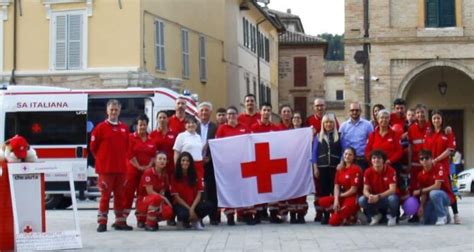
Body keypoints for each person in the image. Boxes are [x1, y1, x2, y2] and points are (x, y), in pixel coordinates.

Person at [90, 99, 132, 232]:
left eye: (116, 110)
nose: (114, 112)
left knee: (120, 196)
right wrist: (103, 160)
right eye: (111, 110)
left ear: (119, 111)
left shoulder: (124, 128)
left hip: (121, 170)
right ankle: (102, 222)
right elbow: (93, 147)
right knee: (105, 196)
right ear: (107, 111)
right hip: (106, 170)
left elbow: (127, 147)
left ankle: (120, 222)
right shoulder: (100, 128)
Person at [215, 106, 253, 225]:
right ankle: (230, 215)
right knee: (229, 189)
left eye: (233, 114)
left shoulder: (244, 128)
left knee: (244, 189)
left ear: (237, 115)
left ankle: (245, 214)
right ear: (227, 116)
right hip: (228, 166)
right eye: (229, 114)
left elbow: (251, 144)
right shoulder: (222, 129)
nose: (231, 116)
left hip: (243, 164)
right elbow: (218, 147)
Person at [423, 110, 460, 224]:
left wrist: (436, 160)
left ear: (442, 119)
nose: (436, 120)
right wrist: (428, 162)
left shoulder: (447, 132)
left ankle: (456, 214)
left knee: (450, 190)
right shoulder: (429, 133)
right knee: (435, 190)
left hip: (445, 167)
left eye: (438, 118)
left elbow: (450, 150)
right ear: (431, 120)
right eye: (434, 118)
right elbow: (425, 151)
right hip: (431, 167)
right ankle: (443, 213)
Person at [250, 102, 282, 224]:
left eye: (269, 110)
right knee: (258, 188)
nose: (266, 112)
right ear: (260, 111)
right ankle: (257, 214)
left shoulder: (276, 128)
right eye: (264, 110)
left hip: (272, 160)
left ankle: (273, 214)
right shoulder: (253, 128)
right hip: (258, 161)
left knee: (273, 188)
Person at [123, 115, 157, 226]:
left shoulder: (151, 139)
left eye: (144, 124)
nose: (142, 127)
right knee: (128, 194)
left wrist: (148, 166)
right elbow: (129, 154)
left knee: (142, 196)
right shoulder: (130, 137)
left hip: (146, 173)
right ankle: (122, 220)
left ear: (147, 125)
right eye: (140, 124)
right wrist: (138, 166)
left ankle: (141, 220)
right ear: (136, 126)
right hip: (132, 171)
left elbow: (153, 155)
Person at [316, 147, 362, 226]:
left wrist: (340, 196)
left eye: (350, 155)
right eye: (346, 154)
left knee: (333, 222)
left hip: (352, 197)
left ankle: (353, 215)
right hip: (342, 197)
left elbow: (353, 190)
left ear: (354, 157)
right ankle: (341, 213)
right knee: (320, 201)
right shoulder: (340, 169)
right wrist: (336, 200)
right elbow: (336, 186)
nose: (347, 156)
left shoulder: (355, 169)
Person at [312, 113, 342, 224]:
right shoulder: (318, 137)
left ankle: (334, 213)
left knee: (334, 191)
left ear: (334, 124)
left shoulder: (339, 136)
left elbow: (343, 151)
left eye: (330, 122)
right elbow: (314, 153)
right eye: (326, 122)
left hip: (335, 168)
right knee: (324, 192)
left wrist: (342, 162)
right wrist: (315, 167)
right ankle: (325, 214)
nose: (328, 124)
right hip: (322, 167)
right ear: (323, 124)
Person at [412, 150, 456, 225]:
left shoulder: (439, 167)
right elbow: (424, 193)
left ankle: (442, 216)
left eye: (426, 158)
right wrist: (421, 206)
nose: (424, 160)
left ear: (431, 159)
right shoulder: (420, 175)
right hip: (431, 199)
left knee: (434, 193)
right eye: (422, 159)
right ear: (420, 161)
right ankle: (446, 214)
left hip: (446, 196)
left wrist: (420, 191)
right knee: (426, 221)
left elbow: (437, 186)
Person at [171, 152, 212, 230]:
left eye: (187, 161)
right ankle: (184, 220)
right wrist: (190, 210)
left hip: (193, 203)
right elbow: (176, 197)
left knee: (209, 206)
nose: (185, 162)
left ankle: (196, 220)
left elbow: (199, 194)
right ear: (179, 162)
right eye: (183, 160)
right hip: (181, 204)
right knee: (183, 214)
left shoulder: (196, 174)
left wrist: (192, 208)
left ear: (190, 163)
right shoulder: (175, 176)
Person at [358, 150, 399, 226]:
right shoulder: (367, 171)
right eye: (374, 158)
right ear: (371, 160)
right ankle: (375, 215)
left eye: (379, 158)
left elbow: (392, 190)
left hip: (386, 198)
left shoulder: (391, 170)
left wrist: (378, 196)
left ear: (383, 160)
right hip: (374, 198)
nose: (376, 160)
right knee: (362, 200)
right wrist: (369, 196)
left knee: (393, 199)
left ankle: (392, 216)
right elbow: (365, 189)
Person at [136, 152, 173, 231]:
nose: (162, 161)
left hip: (156, 200)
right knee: (156, 198)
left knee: (168, 212)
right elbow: (150, 192)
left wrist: (162, 201)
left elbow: (163, 191)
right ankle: (149, 223)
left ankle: (151, 219)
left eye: (164, 159)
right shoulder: (149, 172)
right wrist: (165, 199)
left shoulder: (164, 175)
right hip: (143, 201)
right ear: (155, 161)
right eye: (160, 159)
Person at [196, 102, 220, 225]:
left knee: (211, 190)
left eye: (206, 110)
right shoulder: (193, 127)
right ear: (198, 113)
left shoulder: (216, 128)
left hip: (211, 164)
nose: (204, 113)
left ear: (210, 113)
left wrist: (209, 157)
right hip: (196, 164)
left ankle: (214, 217)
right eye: (202, 111)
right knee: (198, 191)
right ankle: (198, 216)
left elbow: (218, 146)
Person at [285, 111, 309, 224]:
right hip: (290, 166)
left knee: (302, 191)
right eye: (294, 117)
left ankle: (301, 214)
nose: (296, 119)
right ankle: (292, 214)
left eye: (299, 117)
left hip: (303, 166)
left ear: (301, 120)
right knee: (292, 191)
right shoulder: (287, 133)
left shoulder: (306, 132)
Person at [339, 102, 374, 170]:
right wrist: (342, 160)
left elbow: (372, 142)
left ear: (360, 111)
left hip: (362, 159)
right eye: (352, 110)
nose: (354, 112)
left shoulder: (368, 125)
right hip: (347, 160)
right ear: (349, 111)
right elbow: (340, 144)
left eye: (357, 110)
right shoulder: (343, 126)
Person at [408, 104, 432, 194]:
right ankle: (415, 207)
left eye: (422, 112)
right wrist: (409, 162)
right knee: (414, 187)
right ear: (415, 114)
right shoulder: (411, 128)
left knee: (429, 186)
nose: (420, 114)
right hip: (415, 163)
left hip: (429, 163)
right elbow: (410, 146)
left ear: (426, 113)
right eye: (418, 112)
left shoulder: (431, 126)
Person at [173, 116, 205, 181]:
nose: (191, 125)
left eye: (193, 123)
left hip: (199, 165)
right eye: (188, 123)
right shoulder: (181, 136)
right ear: (185, 125)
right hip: (186, 165)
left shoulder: (198, 137)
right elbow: (176, 153)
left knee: (198, 187)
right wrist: (177, 167)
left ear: (196, 124)